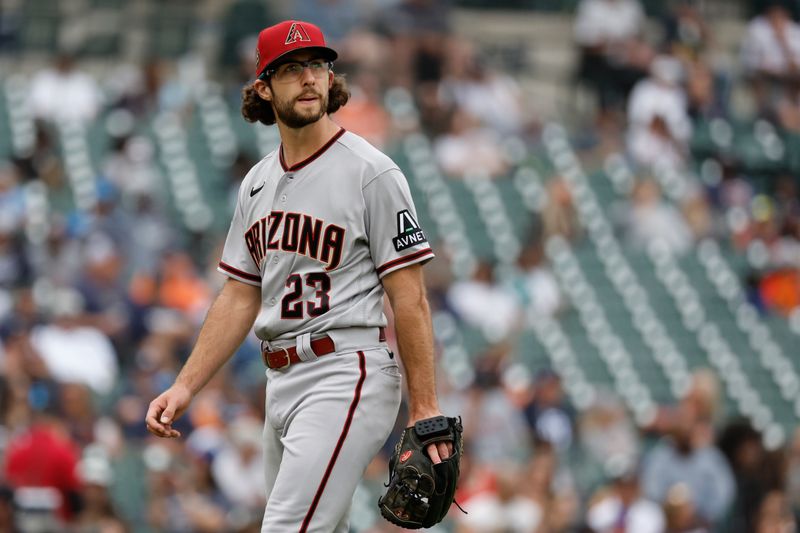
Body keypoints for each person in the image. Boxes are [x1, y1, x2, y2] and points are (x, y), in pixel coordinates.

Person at [145, 19, 453, 532]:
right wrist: (185, 386)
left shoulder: (371, 171)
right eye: (291, 69)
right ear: (264, 88)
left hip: (346, 370)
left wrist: (424, 407)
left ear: (331, 79)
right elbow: (240, 294)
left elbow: (411, 297)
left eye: (317, 65)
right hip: (280, 381)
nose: (308, 78)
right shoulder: (257, 183)